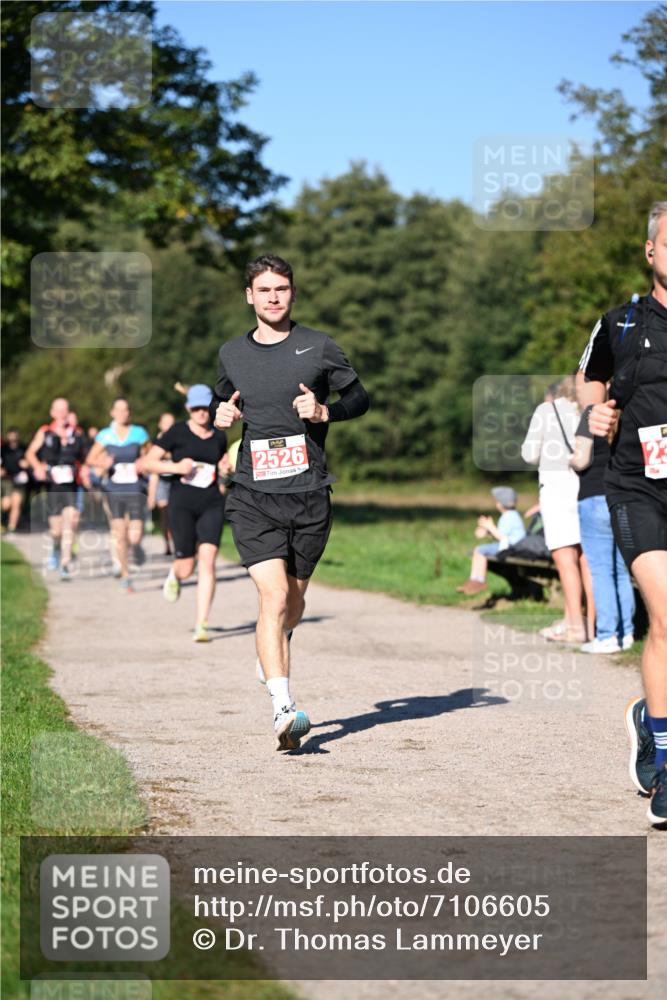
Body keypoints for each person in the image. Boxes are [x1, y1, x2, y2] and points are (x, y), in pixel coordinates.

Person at [211, 253, 370, 751]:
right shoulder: (231, 353)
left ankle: (273, 648)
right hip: (253, 494)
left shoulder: (318, 346)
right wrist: (220, 416)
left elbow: (360, 398)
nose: (273, 297)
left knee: (293, 604)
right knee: (274, 597)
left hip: (308, 494)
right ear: (249, 296)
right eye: (264, 290)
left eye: (281, 289)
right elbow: (222, 400)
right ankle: (283, 707)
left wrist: (324, 411)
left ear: (293, 293)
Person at [578, 200, 667, 825]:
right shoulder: (622, 321)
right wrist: (596, 410)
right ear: (651, 251)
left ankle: (650, 718)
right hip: (639, 486)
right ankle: (666, 761)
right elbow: (590, 376)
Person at [142, 386, 228, 642]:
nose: (201, 413)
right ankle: (175, 574)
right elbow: (147, 462)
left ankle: (202, 624)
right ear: (188, 408)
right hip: (182, 503)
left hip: (211, 502)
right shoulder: (177, 432)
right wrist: (176, 466)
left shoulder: (219, 435)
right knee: (187, 567)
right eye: (196, 408)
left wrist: (226, 470)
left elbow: (222, 468)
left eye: (205, 408)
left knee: (208, 561)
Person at [521, 377, 593, 643]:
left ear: (551, 395)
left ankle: (575, 627)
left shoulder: (546, 410)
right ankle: (589, 624)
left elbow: (529, 454)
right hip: (586, 489)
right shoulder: (587, 411)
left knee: (565, 561)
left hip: (556, 492)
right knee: (586, 560)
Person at [570, 404, 636, 654]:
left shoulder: (592, 412)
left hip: (594, 497)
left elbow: (581, 459)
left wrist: (568, 459)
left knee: (600, 571)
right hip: (624, 499)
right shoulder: (630, 409)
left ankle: (607, 635)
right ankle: (626, 633)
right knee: (621, 571)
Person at [85, 397, 150, 593]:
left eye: (126, 409)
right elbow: (90, 459)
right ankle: (125, 574)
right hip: (114, 490)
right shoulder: (105, 435)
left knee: (135, 535)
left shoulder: (139, 433)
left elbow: (150, 454)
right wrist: (102, 463)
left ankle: (135, 548)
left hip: (135, 488)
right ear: (112, 412)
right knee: (120, 535)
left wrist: (143, 463)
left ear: (129, 412)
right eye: (118, 410)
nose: (122, 413)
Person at [25, 398, 88, 580]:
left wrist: (85, 469)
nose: (62, 414)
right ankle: (55, 548)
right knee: (56, 530)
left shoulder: (76, 433)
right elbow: (30, 453)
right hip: (52, 485)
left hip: (71, 485)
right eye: (58, 410)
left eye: (64, 410)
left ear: (68, 412)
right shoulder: (45, 432)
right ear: (52, 413)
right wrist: (38, 466)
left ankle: (65, 564)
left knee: (71, 521)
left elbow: (86, 457)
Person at [456, 486, 526, 595]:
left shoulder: (509, 517)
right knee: (478, 550)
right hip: (510, 546)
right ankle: (474, 580)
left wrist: (490, 527)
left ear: (500, 504)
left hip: (512, 548)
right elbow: (501, 536)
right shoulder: (511, 515)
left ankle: (479, 580)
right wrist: (487, 532)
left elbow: (502, 537)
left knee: (480, 550)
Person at [147, 412, 176, 556]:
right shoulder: (155, 442)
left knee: (175, 512)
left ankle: (177, 539)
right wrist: (151, 495)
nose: (168, 426)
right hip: (161, 481)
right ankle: (167, 543)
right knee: (165, 513)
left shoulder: (179, 439)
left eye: (171, 423)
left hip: (176, 480)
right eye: (166, 423)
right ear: (160, 424)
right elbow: (151, 465)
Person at [1, 427, 30, 534]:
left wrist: (27, 464)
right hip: (7, 480)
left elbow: (30, 460)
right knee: (6, 504)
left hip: (19, 479)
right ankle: (3, 520)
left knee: (16, 503)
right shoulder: (3, 449)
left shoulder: (23, 448)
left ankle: (11, 528)